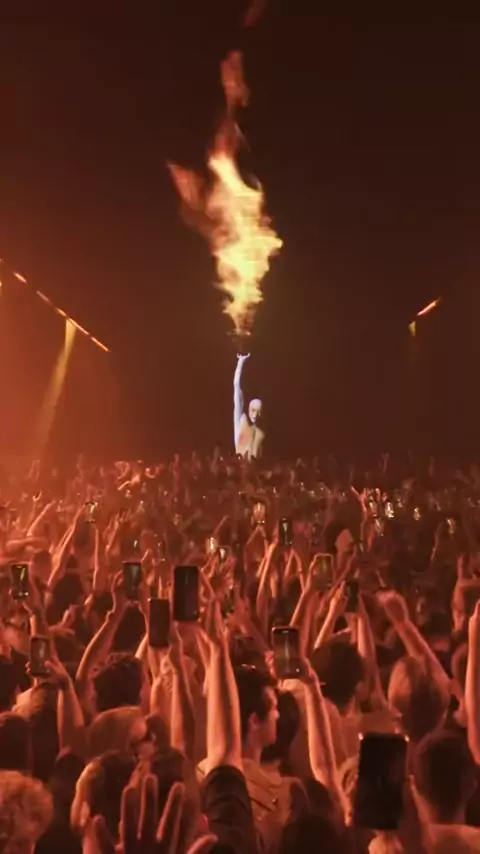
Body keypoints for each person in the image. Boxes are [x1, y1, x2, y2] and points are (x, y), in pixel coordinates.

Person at [233, 353, 265, 458]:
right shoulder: (241, 423)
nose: (255, 415)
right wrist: (240, 362)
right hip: (240, 466)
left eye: (258, 412)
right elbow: (236, 387)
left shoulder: (261, 434)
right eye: (253, 410)